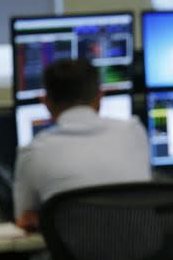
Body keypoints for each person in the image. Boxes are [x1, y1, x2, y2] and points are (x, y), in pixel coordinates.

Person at [13, 58, 151, 231]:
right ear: (100, 98)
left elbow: (24, 220)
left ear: (46, 103)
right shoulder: (135, 131)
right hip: (142, 255)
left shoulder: (33, 152)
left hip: (72, 257)